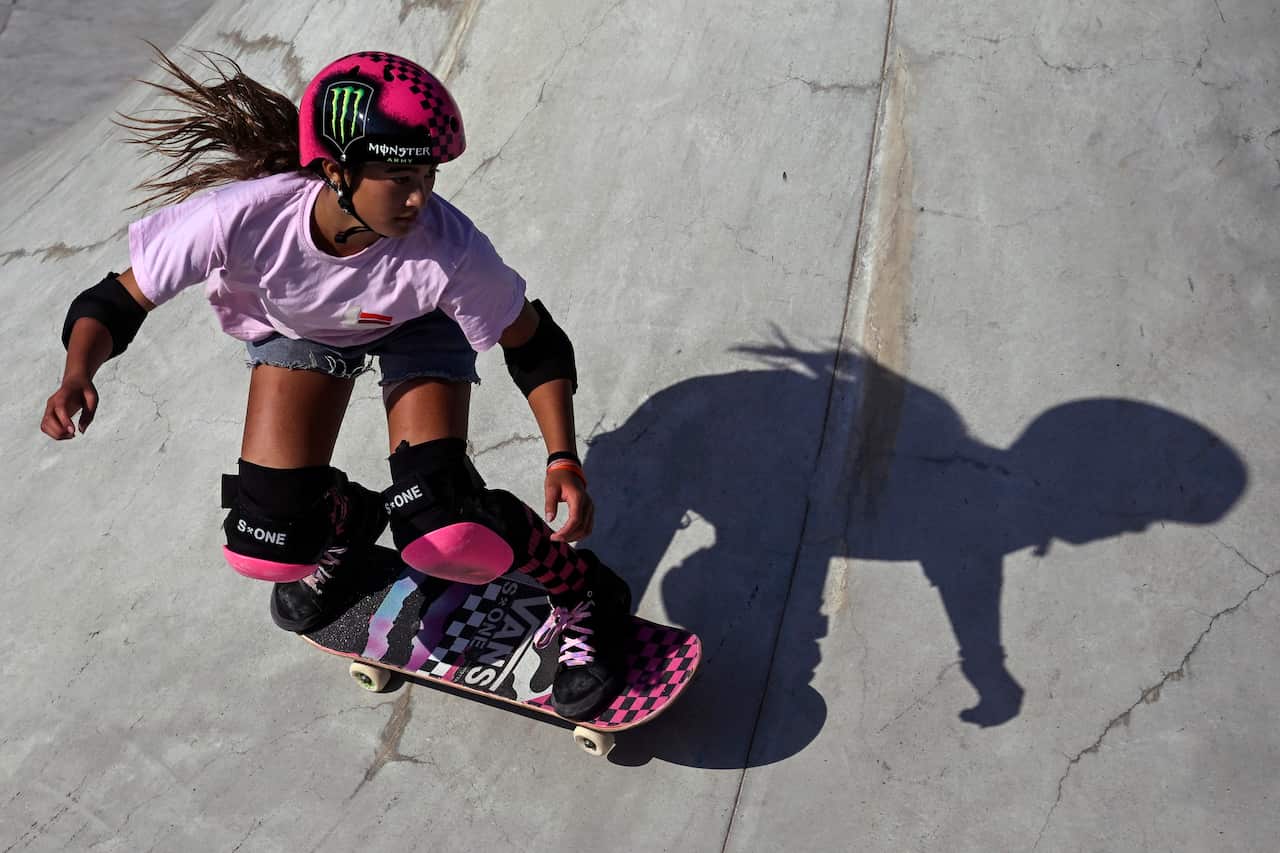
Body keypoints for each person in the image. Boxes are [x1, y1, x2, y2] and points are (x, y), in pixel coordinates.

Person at [39, 49, 631, 722]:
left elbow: (536, 343)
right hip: (304, 330)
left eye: (428, 176)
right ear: (336, 170)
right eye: (400, 177)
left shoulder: (448, 250)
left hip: (419, 326)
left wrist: (562, 457)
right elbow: (113, 300)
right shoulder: (242, 216)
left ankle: (583, 591)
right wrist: (77, 373)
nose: (419, 199)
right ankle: (349, 521)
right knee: (265, 545)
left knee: (445, 532)